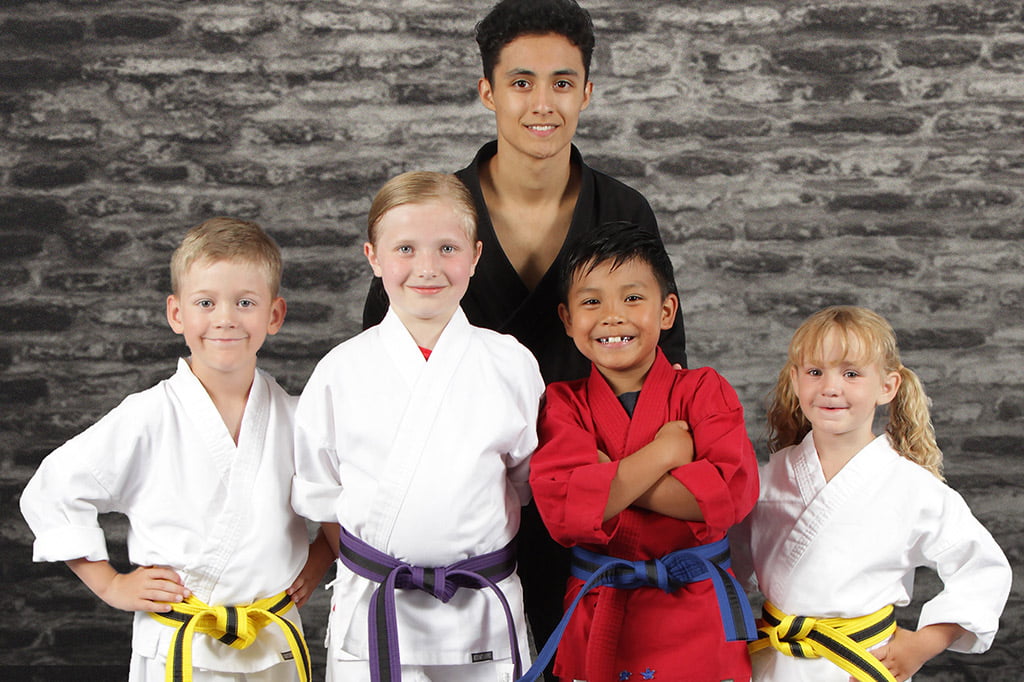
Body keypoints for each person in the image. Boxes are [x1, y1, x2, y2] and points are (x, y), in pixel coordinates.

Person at [363, 0, 688, 651]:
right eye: (521, 82)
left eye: (562, 82)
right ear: (487, 91)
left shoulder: (623, 209)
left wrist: (628, 476)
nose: (544, 103)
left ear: (587, 92)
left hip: (595, 495)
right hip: (466, 512)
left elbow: (665, 369)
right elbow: (381, 369)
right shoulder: (438, 216)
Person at [20, 217, 334, 682]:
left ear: (274, 315)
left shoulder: (298, 416)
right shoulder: (146, 415)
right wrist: (111, 584)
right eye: (205, 302)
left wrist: (320, 557)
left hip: (272, 641)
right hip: (177, 647)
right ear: (176, 314)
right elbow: (50, 492)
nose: (225, 318)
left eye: (245, 302)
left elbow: (339, 495)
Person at [292, 171, 544, 682]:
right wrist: (379, 565)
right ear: (374, 258)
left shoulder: (512, 364)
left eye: (446, 247)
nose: (426, 268)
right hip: (377, 609)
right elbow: (321, 495)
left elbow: (522, 484)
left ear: (475, 257)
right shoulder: (340, 371)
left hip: (480, 614)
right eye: (405, 248)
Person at [526, 221, 758, 682]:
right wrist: (665, 454)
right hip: (601, 608)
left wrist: (610, 477)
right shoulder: (562, 403)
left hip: (696, 607)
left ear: (667, 310)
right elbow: (563, 510)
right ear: (568, 319)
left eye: (633, 297)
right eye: (592, 301)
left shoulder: (704, 390)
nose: (613, 315)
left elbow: (728, 496)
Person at [739, 306, 1011, 682]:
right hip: (775, 663)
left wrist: (924, 644)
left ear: (887, 387)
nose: (831, 387)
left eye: (851, 373)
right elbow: (724, 567)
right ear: (795, 380)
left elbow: (982, 569)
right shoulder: (766, 480)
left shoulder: (912, 487)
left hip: (863, 665)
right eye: (815, 372)